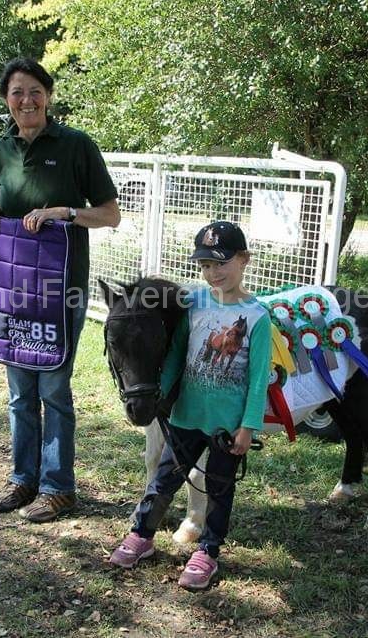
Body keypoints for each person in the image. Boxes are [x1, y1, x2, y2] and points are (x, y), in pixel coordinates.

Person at [0, 57, 120, 523]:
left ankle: (59, 489)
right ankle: (24, 480)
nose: (27, 100)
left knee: (54, 389)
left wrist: (66, 212)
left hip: (61, 292)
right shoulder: (0, 150)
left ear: (48, 96)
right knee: (19, 391)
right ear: (6, 100)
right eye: (17, 92)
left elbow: (110, 214)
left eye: (35, 91)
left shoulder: (77, 146)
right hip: (12, 291)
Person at [108, 220, 272, 590]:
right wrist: (163, 396)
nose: (213, 273)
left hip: (226, 425)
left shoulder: (258, 318)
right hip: (185, 416)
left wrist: (248, 427)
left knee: (219, 489)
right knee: (163, 480)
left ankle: (208, 551)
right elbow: (178, 354)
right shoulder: (195, 304)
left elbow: (259, 378)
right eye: (206, 265)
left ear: (244, 259)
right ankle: (141, 535)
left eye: (221, 263)